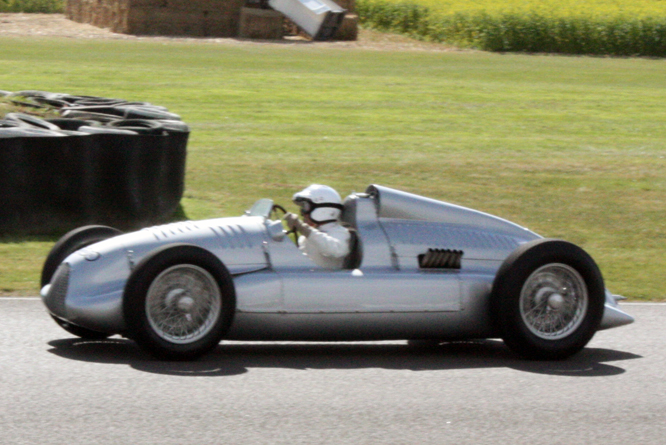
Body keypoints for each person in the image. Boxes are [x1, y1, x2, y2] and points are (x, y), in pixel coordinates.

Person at [284, 184, 351, 270]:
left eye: (305, 207)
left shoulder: (340, 232)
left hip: (329, 281)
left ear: (323, 209)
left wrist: (303, 228)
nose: (303, 213)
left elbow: (336, 250)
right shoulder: (308, 236)